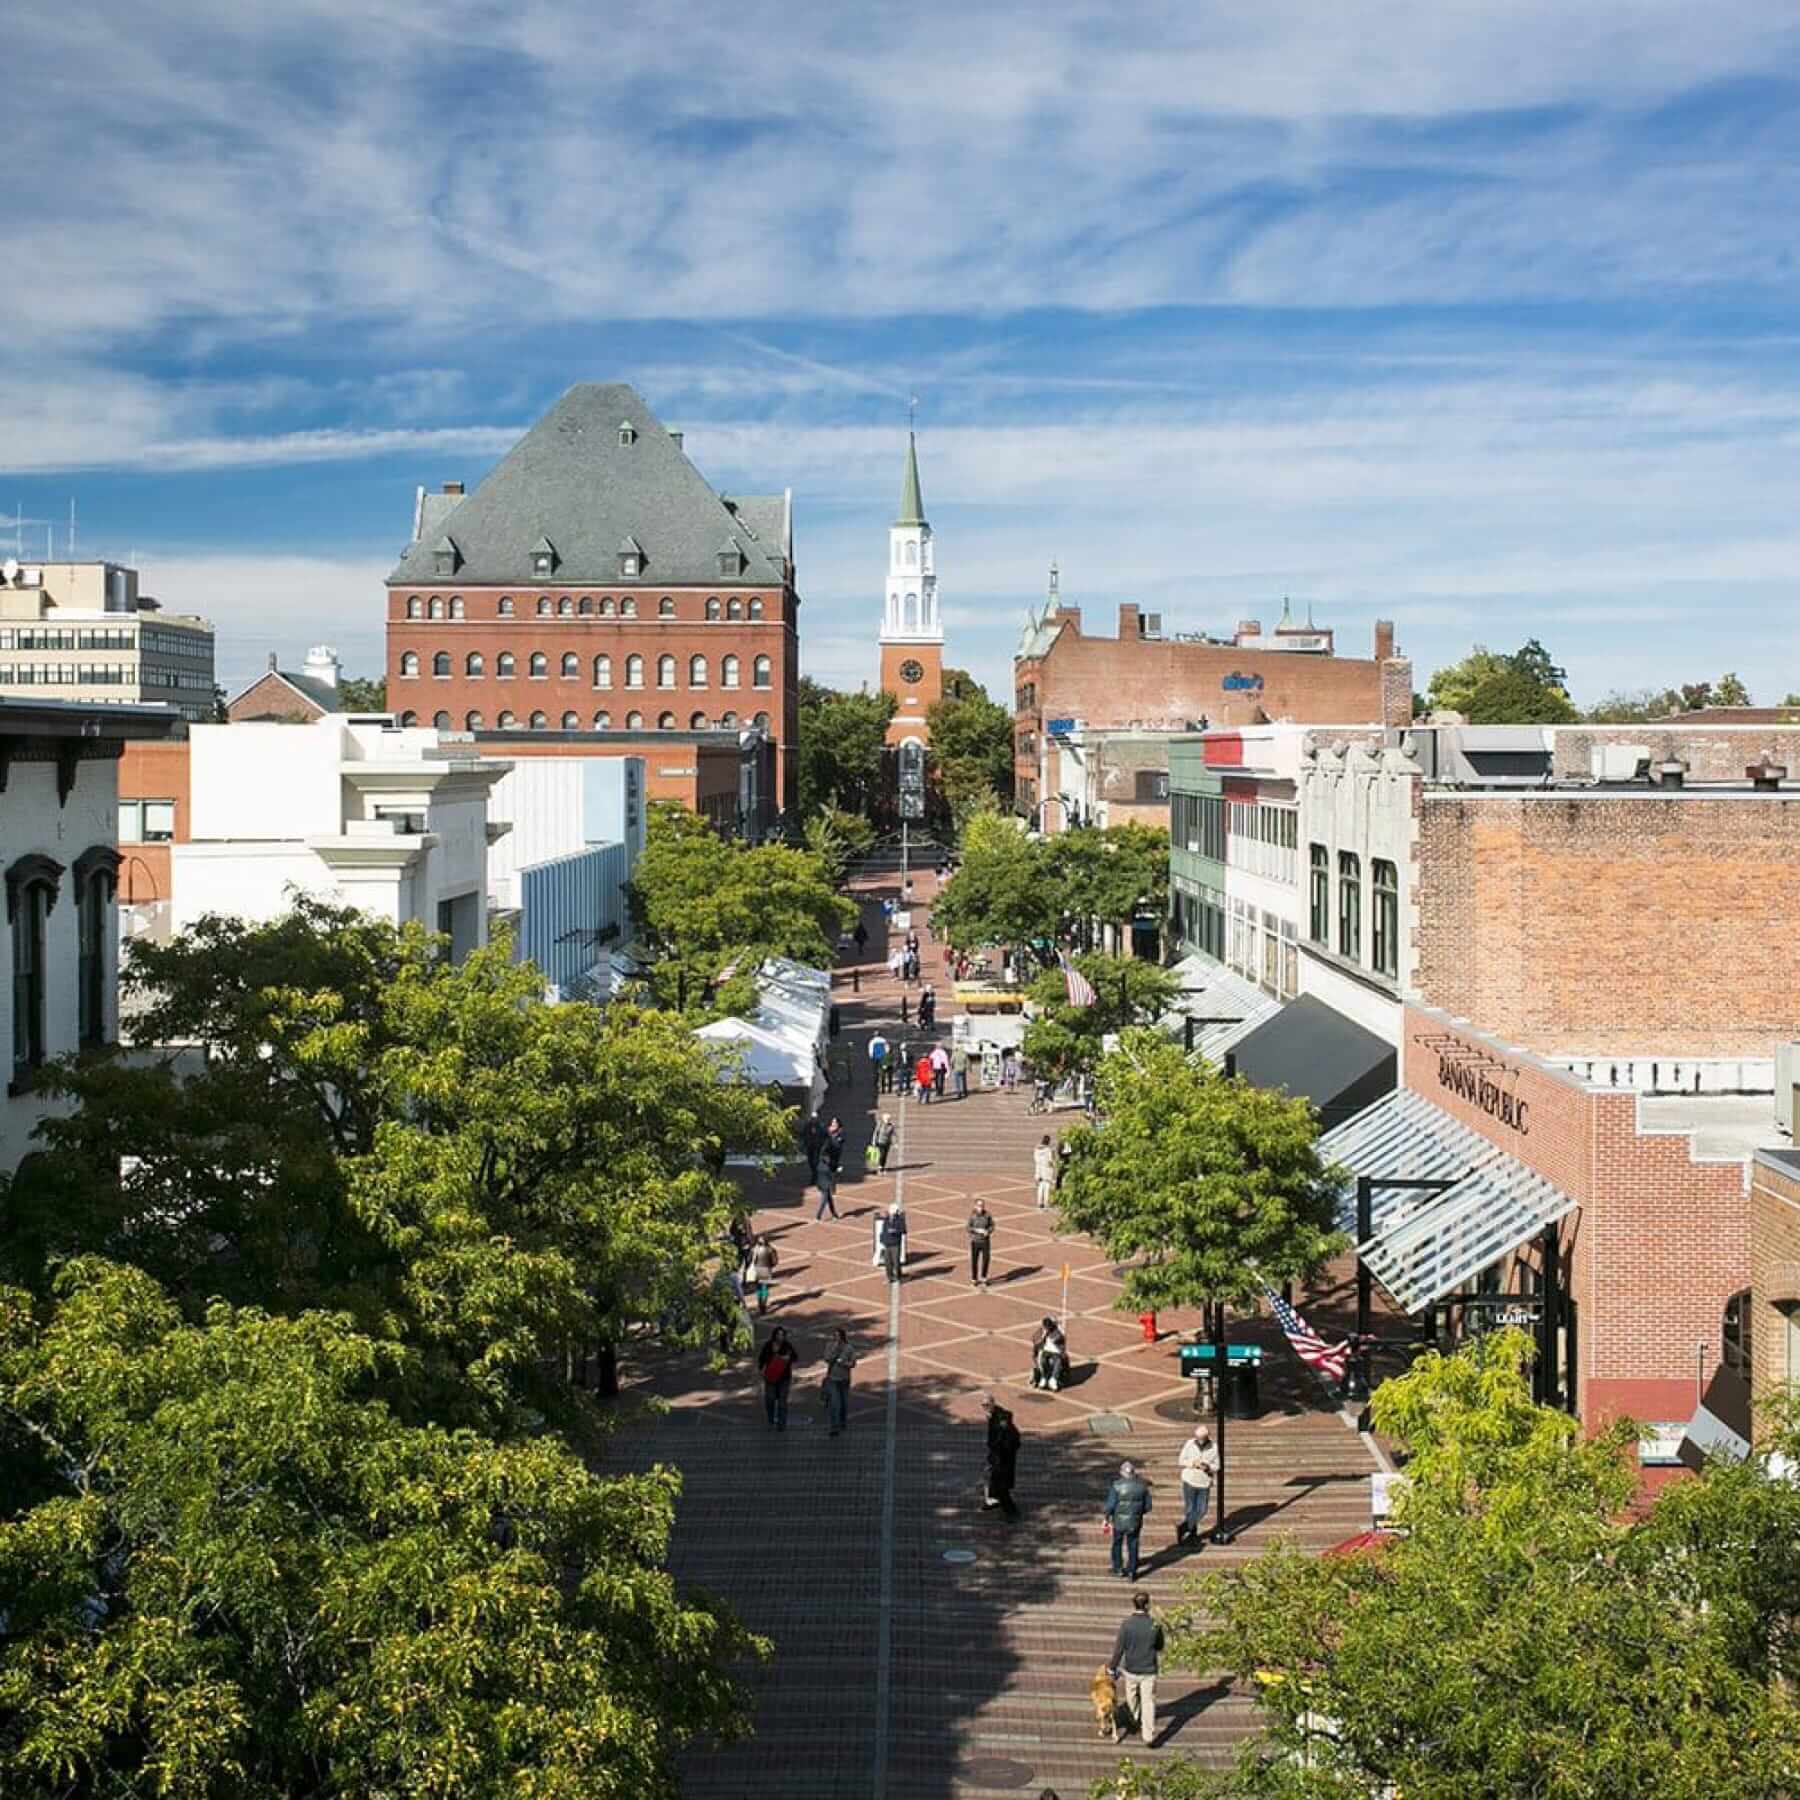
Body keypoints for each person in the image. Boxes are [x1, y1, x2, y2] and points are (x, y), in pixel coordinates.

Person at [1107, 1590, 1164, 1747]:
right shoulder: (1155, 1624)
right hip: (1149, 1669)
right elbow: (1160, 1646)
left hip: (1131, 1668)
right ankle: (1148, 1735)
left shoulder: (1126, 1625)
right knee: (1148, 1701)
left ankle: (1134, 1718)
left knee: (1131, 1697)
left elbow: (1119, 1649)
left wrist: (1112, 1668)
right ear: (1147, 1605)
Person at [1103, 1460, 1153, 1582]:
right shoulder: (1143, 1486)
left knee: (1117, 1544)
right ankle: (1132, 1570)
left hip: (1119, 1521)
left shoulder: (1116, 1485)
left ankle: (1118, 1568)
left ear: (1121, 1473)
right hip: (1135, 1521)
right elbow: (1148, 1506)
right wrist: (1138, 1513)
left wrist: (1107, 1518)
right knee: (1133, 1544)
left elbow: (1110, 1505)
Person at [1177, 1425, 1220, 1545]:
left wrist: (1208, 1467)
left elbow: (1217, 1466)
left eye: (1202, 1438)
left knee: (1202, 1510)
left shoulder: (1214, 1447)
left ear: (1207, 1437)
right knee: (1190, 1508)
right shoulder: (1189, 1444)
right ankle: (1191, 1533)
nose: (1199, 1440)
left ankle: (1184, 1527)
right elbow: (1181, 1460)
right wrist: (1193, 1463)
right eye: (1198, 1438)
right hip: (1190, 1480)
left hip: (1204, 1482)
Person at [982, 1394, 1021, 1520]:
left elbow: (1002, 1436)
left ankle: (1011, 1512)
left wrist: (995, 1448)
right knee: (992, 1479)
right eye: (983, 1405)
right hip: (997, 1455)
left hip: (1003, 1457)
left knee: (1001, 1486)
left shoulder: (1001, 1417)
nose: (985, 1407)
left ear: (993, 1403)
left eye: (987, 1404)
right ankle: (993, 1500)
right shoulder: (994, 1415)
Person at [756, 1325, 798, 1429]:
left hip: (784, 1378)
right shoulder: (768, 1345)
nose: (780, 1337)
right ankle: (771, 1418)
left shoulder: (787, 1346)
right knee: (770, 1399)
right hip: (771, 1377)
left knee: (782, 1402)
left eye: (782, 1335)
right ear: (774, 1335)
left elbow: (795, 1357)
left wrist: (788, 1358)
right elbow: (761, 1358)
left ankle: (781, 1423)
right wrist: (761, 1369)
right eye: (778, 1335)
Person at [821, 1327, 858, 1436]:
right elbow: (826, 1358)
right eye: (835, 1336)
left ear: (843, 1337)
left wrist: (844, 1363)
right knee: (834, 1403)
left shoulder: (849, 1348)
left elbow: (853, 1363)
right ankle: (834, 1427)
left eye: (838, 1336)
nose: (836, 1338)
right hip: (832, 1379)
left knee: (844, 1403)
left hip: (844, 1379)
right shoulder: (829, 1346)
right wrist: (834, 1352)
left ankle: (842, 1421)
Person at [1031, 1316, 1067, 1389]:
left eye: (1048, 1327)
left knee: (1058, 1361)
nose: (1046, 1329)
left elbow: (1061, 1339)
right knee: (1042, 1360)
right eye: (1045, 1327)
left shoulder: (1059, 1330)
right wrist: (1039, 1341)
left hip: (1056, 1350)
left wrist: (1054, 1338)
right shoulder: (1043, 1330)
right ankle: (1044, 1376)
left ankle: (1053, 1379)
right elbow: (1035, 1338)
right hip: (1046, 1349)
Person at [967, 1199, 995, 1289]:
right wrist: (976, 1230)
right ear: (975, 1206)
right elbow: (968, 1227)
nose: (981, 1207)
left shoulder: (987, 1215)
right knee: (974, 1260)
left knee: (986, 1259)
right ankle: (974, 1278)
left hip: (985, 1241)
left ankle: (983, 1277)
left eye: (982, 1206)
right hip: (975, 1241)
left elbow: (992, 1225)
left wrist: (988, 1231)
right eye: (979, 1206)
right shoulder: (972, 1216)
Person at [748, 1235, 778, 1315]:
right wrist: (770, 1265)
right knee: (764, 1288)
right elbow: (775, 1262)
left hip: (757, 1270)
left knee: (758, 1288)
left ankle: (760, 1303)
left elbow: (749, 1260)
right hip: (766, 1270)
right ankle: (763, 1306)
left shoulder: (754, 1250)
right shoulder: (771, 1250)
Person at [880, 1200, 908, 1282]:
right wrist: (882, 1239)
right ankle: (890, 1277)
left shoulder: (900, 1220)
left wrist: (895, 1231)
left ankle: (899, 1277)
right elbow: (884, 1230)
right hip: (887, 1243)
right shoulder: (886, 1219)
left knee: (896, 1262)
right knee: (887, 1262)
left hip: (895, 1244)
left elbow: (904, 1230)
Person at [1033, 1134, 1057, 1209]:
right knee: (1047, 1187)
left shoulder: (1036, 1149)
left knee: (1040, 1187)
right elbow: (1050, 1161)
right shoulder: (1048, 1150)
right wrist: (1054, 1162)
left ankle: (1040, 1202)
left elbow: (1035, 1159)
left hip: (1039, 1170)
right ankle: (1046, 1203)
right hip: (1047, 1171)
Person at [802, 1112, 825, 1184]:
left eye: (814, 1118)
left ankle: (815, 1177)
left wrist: (821, 1144)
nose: (813, 1120)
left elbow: (824, 1135)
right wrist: (805, 1143)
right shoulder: (808, 1126)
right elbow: (804, 1134)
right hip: (810, 1146)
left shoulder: (820, 1126)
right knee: (810, 1162)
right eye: (812, 1118)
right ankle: (815, 1175)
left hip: (817, 1147)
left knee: (816, 1161)